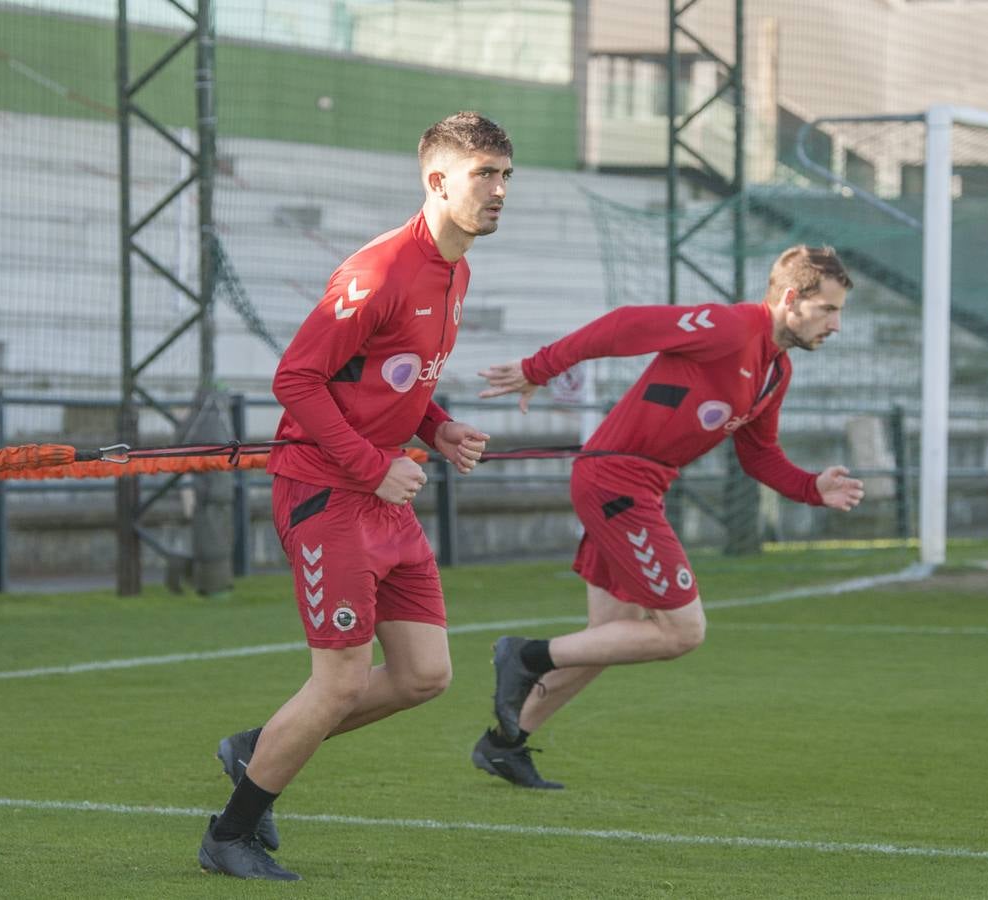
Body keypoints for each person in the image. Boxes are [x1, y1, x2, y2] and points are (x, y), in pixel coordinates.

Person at [198, 111, 511, 881]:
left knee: (423, 676)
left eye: (504, 176)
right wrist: (371, 465)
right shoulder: (377, 271)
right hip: (325, 495)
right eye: (485, 176)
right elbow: (296, 380)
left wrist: (435, 429)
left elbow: (386, 379)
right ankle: (228, 837)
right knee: (338, 679)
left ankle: (255, 748)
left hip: (381, 497)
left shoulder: (457, 269)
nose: (500, 191)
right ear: (437, 180)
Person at [470, 245, 866, 789]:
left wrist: (810, 488)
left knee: (612, 636)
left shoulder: (777, 370)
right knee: (682, 631)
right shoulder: (729, 328)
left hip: (637, 489)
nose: (837, 325)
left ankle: (504, 744)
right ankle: (524, 655)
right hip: (616, 484)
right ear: (792, 299)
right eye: (829, 309)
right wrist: (540, 367)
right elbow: (624, 325)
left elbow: (758, 455)